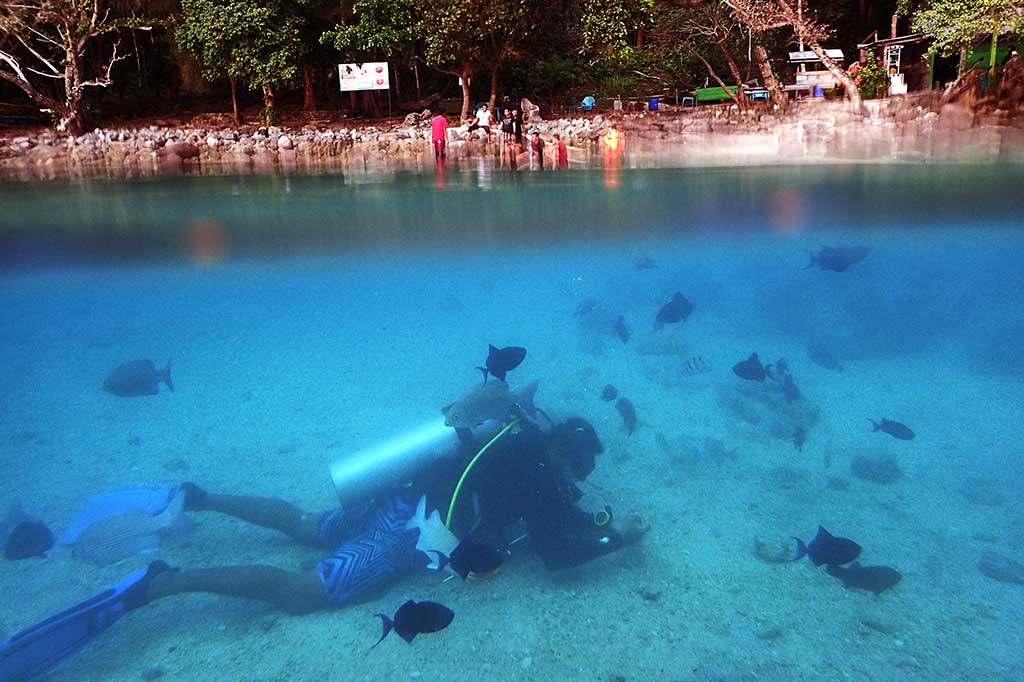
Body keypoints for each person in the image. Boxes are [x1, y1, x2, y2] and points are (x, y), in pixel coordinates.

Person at [0, 414, 646, 680]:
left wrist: (578, 514)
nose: (575, 484)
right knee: (304, 590)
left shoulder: (516, 440)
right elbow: (558, 556)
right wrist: (619, 537)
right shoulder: (537, 471)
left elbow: (538, 515)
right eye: (579, 471)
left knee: (309, 525)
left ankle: (199, 496)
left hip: (398, 492)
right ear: (563, 452)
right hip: (408, 529)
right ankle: (161, 583)